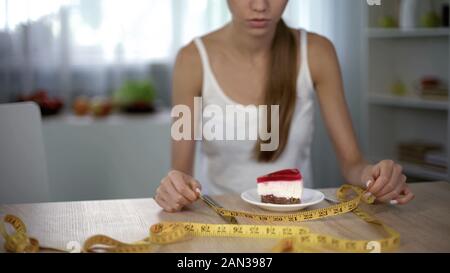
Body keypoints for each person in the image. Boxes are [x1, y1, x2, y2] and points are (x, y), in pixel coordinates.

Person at [155, 0, 414, 212]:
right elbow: (180, 170)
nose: (260, 5)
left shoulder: (317, 52)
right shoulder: (190, 60)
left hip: (297, 218)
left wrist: (375, 178)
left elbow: (352, 164)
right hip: (221, 218)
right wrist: (174, 187)